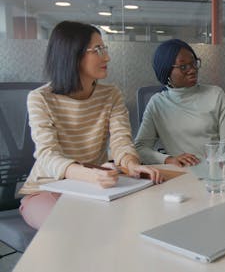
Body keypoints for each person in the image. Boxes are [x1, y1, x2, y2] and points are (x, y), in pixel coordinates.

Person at [18, 21, 163, 230]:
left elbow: (121, 139)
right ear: (73, 55)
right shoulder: (40, 98)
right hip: (46, 189)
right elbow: (47, 155)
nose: (107, 57)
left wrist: (131, 164)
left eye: (104, 49)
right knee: (72, 228)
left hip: (95, 187)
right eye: (98, 50)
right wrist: (90, 175)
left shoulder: (111, 94)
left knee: (138, 218)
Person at [135, 39, 225, 167]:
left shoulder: (216, 95)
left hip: (215, 171)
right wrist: (168, 160)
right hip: (181, 173)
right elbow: (140, 149)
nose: (192, 70)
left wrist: (213, 166)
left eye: (194, 63)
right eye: (183, 67)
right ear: (166, 71)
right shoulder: (157, 104)